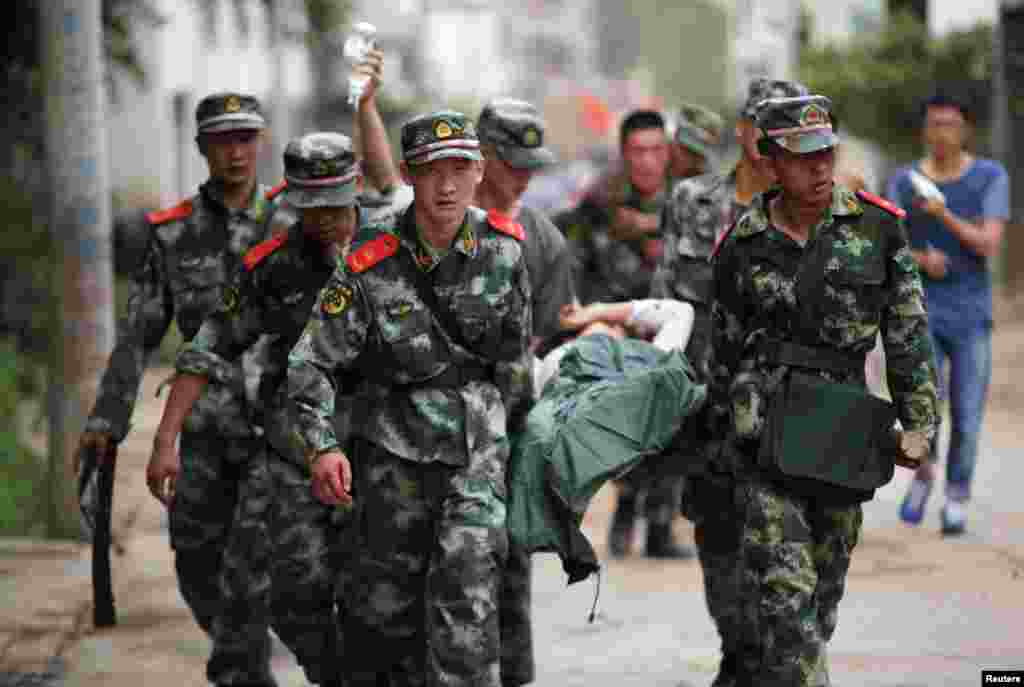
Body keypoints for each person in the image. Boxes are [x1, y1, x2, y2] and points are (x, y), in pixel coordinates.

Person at [285, 110, 532, 687]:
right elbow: (311, 360)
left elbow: (515, 363)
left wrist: (518, 453)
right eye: (429, 171)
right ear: (407, 175)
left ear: (478, 173)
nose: (445, 186)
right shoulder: (370, 263)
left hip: (476, 458)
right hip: (392, 460)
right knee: (386, 626)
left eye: (458, 169)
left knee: (466, 610)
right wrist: (322, 446)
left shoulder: (505, 253)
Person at [710, 94, 938, 685]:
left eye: (827, 153)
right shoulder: (742, 244)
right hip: (764, 438)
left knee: (818, 608)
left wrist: (919, 424)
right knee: (787, 605)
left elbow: (908, 334)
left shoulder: (878, 228)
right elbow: (723, 350)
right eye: (804, 157)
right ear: (770, 159)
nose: (819, 168)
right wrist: (719, 445)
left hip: (843, 433)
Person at [148, 132, 371, 687]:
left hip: (380, 445)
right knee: (264, 584)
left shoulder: (394, 248)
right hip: (291, 447)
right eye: (309, 204)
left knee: (387, 594)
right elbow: (208, 346)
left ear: (356, 189)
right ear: (290, 198)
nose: (323, 217)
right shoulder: (272, 266)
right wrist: (164, 440)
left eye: (334, 202)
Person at [78, 93, 283, 687]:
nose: (236, 151)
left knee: (251, 567)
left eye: (245, 138)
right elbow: (138, 334)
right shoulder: (172, 236)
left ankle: (242, 668)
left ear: (261, 143)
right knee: (196, 563)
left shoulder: (293, 223)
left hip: (276, 426)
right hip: (203, 426)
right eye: (223, 140)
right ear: (201, 148)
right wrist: (106, 420)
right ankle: (241, 652)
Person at [651, 78, 807, 687]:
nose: (775, 143)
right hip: (708, 415)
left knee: (785, 566)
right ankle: (740, 654)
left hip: (783, 420)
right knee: (719, 553)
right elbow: (667, 302)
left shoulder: (806, 213)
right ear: (744, 131)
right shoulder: (691, 200)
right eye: (767, 127)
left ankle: (767, 665)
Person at [886, 92, 1009, 536]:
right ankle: (921, 474)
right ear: (923, 130)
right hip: (920, 313)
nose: (942, 134)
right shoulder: (904, 181)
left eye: (950, 125)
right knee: (922, 408)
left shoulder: (990, 177)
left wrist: (945, 214)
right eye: (934, 124)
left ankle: (957, 495)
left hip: (971, 314)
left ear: (965, 130)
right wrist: (921, 259)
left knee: (969, 411)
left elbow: (988, 244)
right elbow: (888, 242)